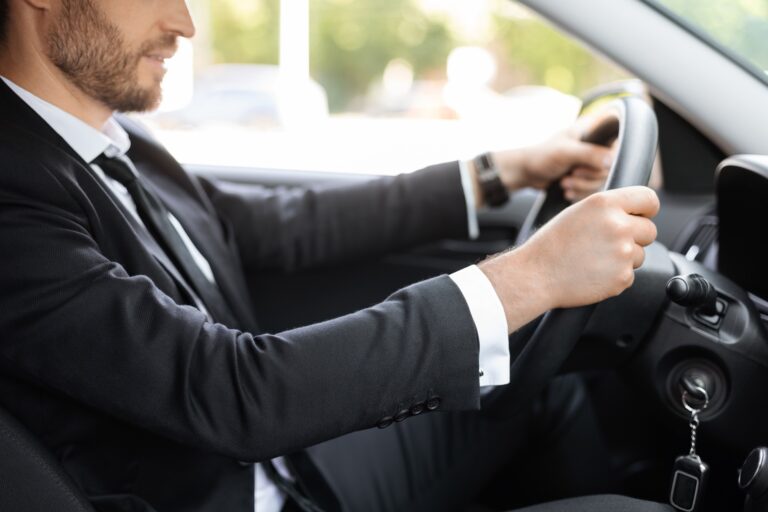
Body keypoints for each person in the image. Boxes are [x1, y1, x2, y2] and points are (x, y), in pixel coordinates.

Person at [0, 0, 672, 511]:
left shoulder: (115, 143)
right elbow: (228, 391)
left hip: (286, 468)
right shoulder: (12, 193)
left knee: (540, 389)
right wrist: (533, 276)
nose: (184, 22)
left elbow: (284, 225)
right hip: (232, 497)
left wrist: (506, 171)